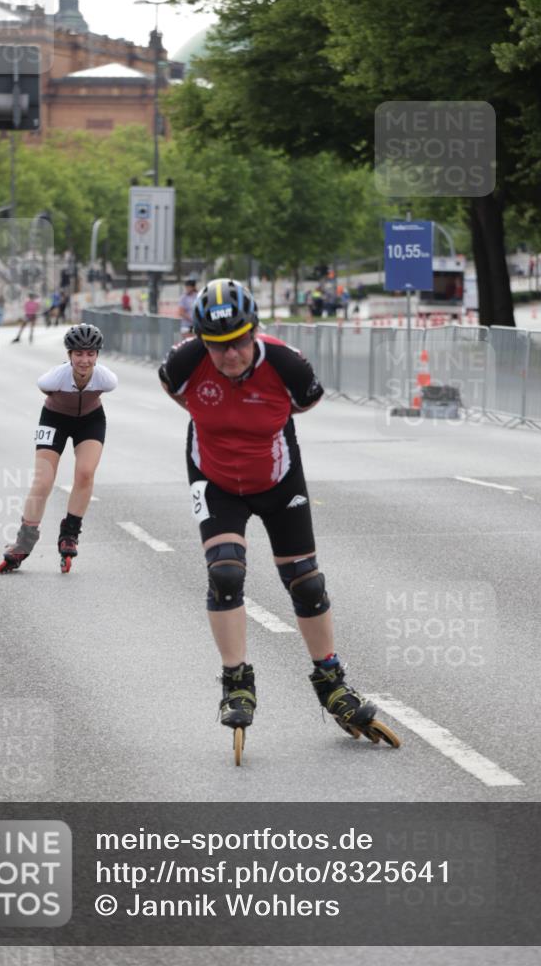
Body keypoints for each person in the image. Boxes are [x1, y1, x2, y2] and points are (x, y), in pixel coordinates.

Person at [158, 279, 399, 749]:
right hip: (214, 479)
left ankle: (331, 681)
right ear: (201, 340)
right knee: (225, 572)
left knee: (306, 581)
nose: (229, 355)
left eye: (239, 342)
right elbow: (174, 388)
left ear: (255, 331)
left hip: (278, 478)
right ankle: (236, 681)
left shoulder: (287, 364)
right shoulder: (186, 361)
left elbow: (306, 401)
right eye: (217, 346)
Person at [0, 323, 118, 574]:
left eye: (90, 354)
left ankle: (70, 534)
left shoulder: (107, 378)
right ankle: (25, 540)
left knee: (85, 474)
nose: (84, 360)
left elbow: (104, 391)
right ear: (69, 355)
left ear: (97, 354)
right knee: (43, 480)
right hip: (54, 419)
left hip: (90, 421)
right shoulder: (53, 378)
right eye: (78, 354)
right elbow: (45, 391)